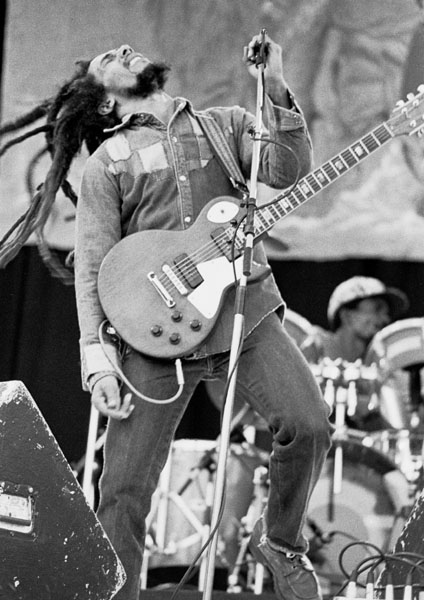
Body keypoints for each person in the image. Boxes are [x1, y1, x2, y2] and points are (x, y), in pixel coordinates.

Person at [0, 34, 332, 600]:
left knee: (309, 425)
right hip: (154, 336)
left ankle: (280, 543)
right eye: (111, 59)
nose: (125, 48)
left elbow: (287, 168)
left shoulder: (223, 125)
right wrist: (98, 359)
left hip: (240, 314)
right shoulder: (109, 162)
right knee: (123, 489)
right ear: (107, 104)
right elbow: (94, 267)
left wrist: (273, 84)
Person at [301, 276, 409, 431]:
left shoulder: (378, 363)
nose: (385, 319)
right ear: (346, 315)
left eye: (387, 314)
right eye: (377, 309)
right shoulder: (317, 344)